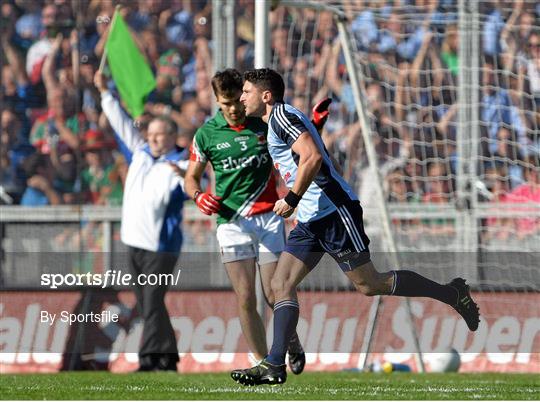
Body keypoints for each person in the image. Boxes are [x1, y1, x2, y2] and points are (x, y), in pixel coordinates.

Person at [231, 68, 480, 386]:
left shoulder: (280, 115)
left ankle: (451, 293)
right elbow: (307, 150)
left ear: (265, 96)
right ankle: (275, 365)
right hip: (311, 219)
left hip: (334, 212)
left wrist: (292, 198)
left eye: (246, 91)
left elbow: (312, 157)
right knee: (279, 285)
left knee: (369, 284)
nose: (242, 97)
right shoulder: (279, 120)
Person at [184, 69, 308, 373]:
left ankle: (290, 341)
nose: (234, 109)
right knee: (245, 296)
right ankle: (262, 361)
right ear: (217, 101)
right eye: (225, 104)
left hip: (268, 217)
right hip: (231, 223)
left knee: (274, 291)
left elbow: (298, 142)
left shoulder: (263, 122)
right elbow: (191, 178)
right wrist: (198, 195)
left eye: (237, 101)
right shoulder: (206, 134)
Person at [94, 71, 185, 372]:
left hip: (161, 246)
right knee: (149, 304)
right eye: (151, 135)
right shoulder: (140, 153)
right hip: (133, 241)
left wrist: (189, 180)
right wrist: (106, 93)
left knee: (151, 299)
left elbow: (191, 187)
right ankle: (169, 358)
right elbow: (120, 123)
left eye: (161, 135)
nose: (154, 139)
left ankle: (149, 360)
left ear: (173, 136)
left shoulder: (182, 164)